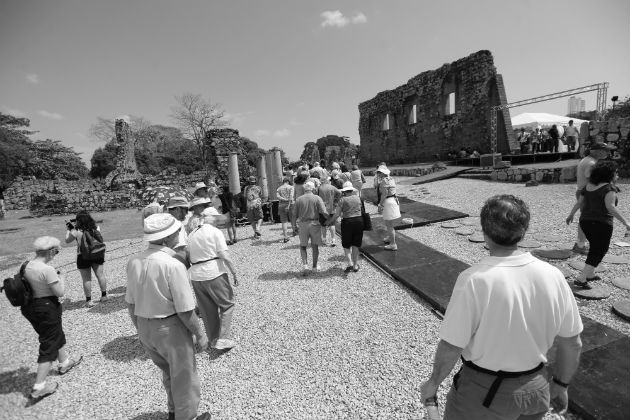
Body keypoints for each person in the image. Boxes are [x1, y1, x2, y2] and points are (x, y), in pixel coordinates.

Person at [421, 195, 583, 420]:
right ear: (524, 229)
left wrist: (433, 383)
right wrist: (562, 384)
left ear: (485, 232)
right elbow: (572, 342)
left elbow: (451, 345)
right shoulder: (553, 275)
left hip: (485, 392)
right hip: (535, 387)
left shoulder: (474, 279)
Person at [126, 213, 210, 420]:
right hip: (169, 327)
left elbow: (130, 302)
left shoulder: (134, 260)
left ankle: (174, 411)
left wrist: (140, 328)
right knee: (184, 378)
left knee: (168, 372)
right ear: (168, 237)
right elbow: (184, 309)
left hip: (145, 325)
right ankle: (186, 417)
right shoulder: (172, 264)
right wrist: (200, 334)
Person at [22, 236, 83, 400]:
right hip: (46, 308)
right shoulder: (47, 270)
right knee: (49, 343)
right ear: (50, 251)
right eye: (56, 251)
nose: (56, 254)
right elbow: (60, 292)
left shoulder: (27, 265)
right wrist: (62, 276)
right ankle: (39, 387)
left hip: (29, 308)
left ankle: (65, 362)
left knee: (53, 334)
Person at [567, 161, 630, 289]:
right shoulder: (609, 188)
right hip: (601, 224)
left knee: (595, 247)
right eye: (616, 173)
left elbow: (579, 204)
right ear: (609, 174)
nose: (617, 175)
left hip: (585, 222)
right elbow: (610, 207)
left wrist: (571, 215)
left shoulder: (588, 186)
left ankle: (590, 273)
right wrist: (626, 222)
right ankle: (582, 278)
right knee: (599, 250)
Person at [188, 207, 238, 351]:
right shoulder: (215, 232)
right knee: (227, 304)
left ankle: (213, 339)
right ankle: (223, 338)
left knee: (207, 310)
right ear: (211, 218)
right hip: (213, 272)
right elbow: (224, 254)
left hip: (196, 276)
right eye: (216, 218)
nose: (217, 221)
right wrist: (233, 271)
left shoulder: (192, 233)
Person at [572, 142, 615, 254]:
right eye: (606, 150)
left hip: (584, 192)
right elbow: (594, 179)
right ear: (598, 151)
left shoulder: (588, 160)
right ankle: (580, 245)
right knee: (586, 218)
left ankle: (581, 243)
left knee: (586, 218)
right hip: (587, 193)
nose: (608, 152)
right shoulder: (591, 163)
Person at [64, 210, 108, 307]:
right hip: (97, 253)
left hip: (83, 256)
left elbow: (67, 240)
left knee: (86, 279)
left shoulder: (76, 231)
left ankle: (89, 301)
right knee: (100, 275)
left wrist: (68, 229)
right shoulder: (96, 227)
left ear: (78, 220)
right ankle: (104, 296)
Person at [327, 182, 364, 272]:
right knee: (356, 244)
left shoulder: (342, 200)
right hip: (359, 221)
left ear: (344, 191)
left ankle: (350, 263)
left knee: (346, 244)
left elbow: (337, 214)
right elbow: (362, 210)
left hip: (347, 222)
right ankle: (355, 265)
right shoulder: (359, 198)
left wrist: (330, 221)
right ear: (351, 190)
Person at [293, 181, 328, 274]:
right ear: (313, 189)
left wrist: (293, 226)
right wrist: (331, 219)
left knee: (303, 246)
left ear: (305, 189)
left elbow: (294, 214)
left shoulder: (299, 199)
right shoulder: (317, 198)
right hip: (315, 224)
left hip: (303, 224)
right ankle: (314, 267)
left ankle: (305, 266)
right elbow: (324, 212)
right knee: (315, 246)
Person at [376, 165, 401, 251]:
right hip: (393, 200)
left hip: (388, 201)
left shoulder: (384, 181)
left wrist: (380, 205)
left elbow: (384, 194)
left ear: (382, 173)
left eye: (379, 173)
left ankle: (393, 244)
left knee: (389, 224)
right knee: (389, 223)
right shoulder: (391, 178)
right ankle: (390, 238)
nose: (378, 174)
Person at [166, 196, 191, 268]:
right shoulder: (175, 224)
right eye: (186, 210)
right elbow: (180, 249)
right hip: (179, 261)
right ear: (178, 209)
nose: (187, 213)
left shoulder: (166, 222)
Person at [318, 175, 341, 247]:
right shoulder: (331, 187)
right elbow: (339, 193)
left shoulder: (319, 188)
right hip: (331, 208)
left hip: (322, 209)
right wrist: (336, 202)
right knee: (332, 224)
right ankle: (333, 239)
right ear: (326, 180)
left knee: (323, 225)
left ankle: (324, 239)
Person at [276, 177, 295, 242]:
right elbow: (291, 196)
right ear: (288, 181)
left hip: (281, 205)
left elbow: (278, 196)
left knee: (284, 222)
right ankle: (294, 231)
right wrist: (288, 204)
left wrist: (284, 199)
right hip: (290, 205)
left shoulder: (279, 188)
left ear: (283, 182)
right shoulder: (291, 187)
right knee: (292, 219)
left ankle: (285, 236)